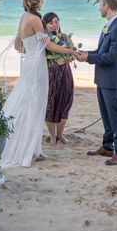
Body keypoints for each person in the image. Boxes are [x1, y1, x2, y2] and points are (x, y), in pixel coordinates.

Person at [0, 0, 77, 169]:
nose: (43, 2)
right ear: (37, 0)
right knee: (36, 105)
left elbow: (19, 46)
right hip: (37, 68)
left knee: (29, 102)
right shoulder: (35, 20)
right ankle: (30, 150)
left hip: (29, 64)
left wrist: (33, 50)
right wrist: (71, 51)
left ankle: (35, 148)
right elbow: (49, 45)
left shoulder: (24, 18)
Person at [77, 0, 117, 166]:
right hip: (102, 78)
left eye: (100, 5)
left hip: (112, 80)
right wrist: (86, 54)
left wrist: (88, 59)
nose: (99, 8)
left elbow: (112, 57)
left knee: (116, 116)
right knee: (106, 115)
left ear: (107, 6)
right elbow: (102, 52)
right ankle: (107, 146)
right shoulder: (109, 25)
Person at [42, 12, 75, 146]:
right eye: (51, 22)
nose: (55, 25)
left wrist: (64, 59)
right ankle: (52, 135)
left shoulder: (66, 38)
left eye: (56, 22)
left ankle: (60, 134)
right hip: (49, 74)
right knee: (50, 104)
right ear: (45, 25)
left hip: (65, 73)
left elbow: (73, 54)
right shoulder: (43, 39)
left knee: (65, 102)